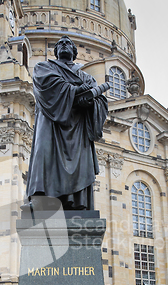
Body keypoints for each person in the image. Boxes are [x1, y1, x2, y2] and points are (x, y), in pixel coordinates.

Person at [25, 35, 108, 211]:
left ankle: (76, 202)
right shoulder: (44, 67)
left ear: (74, 52)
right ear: (55, 52)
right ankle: (42, 198)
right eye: (60, 43)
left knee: (78, 161)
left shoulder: (85, 75)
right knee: (44, 151)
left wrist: (91, 102)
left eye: (68, 43)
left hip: (77, 126)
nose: (64, 45)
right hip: (50, 121)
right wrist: (75, 91)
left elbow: (99, 99)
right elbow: (46, 85)